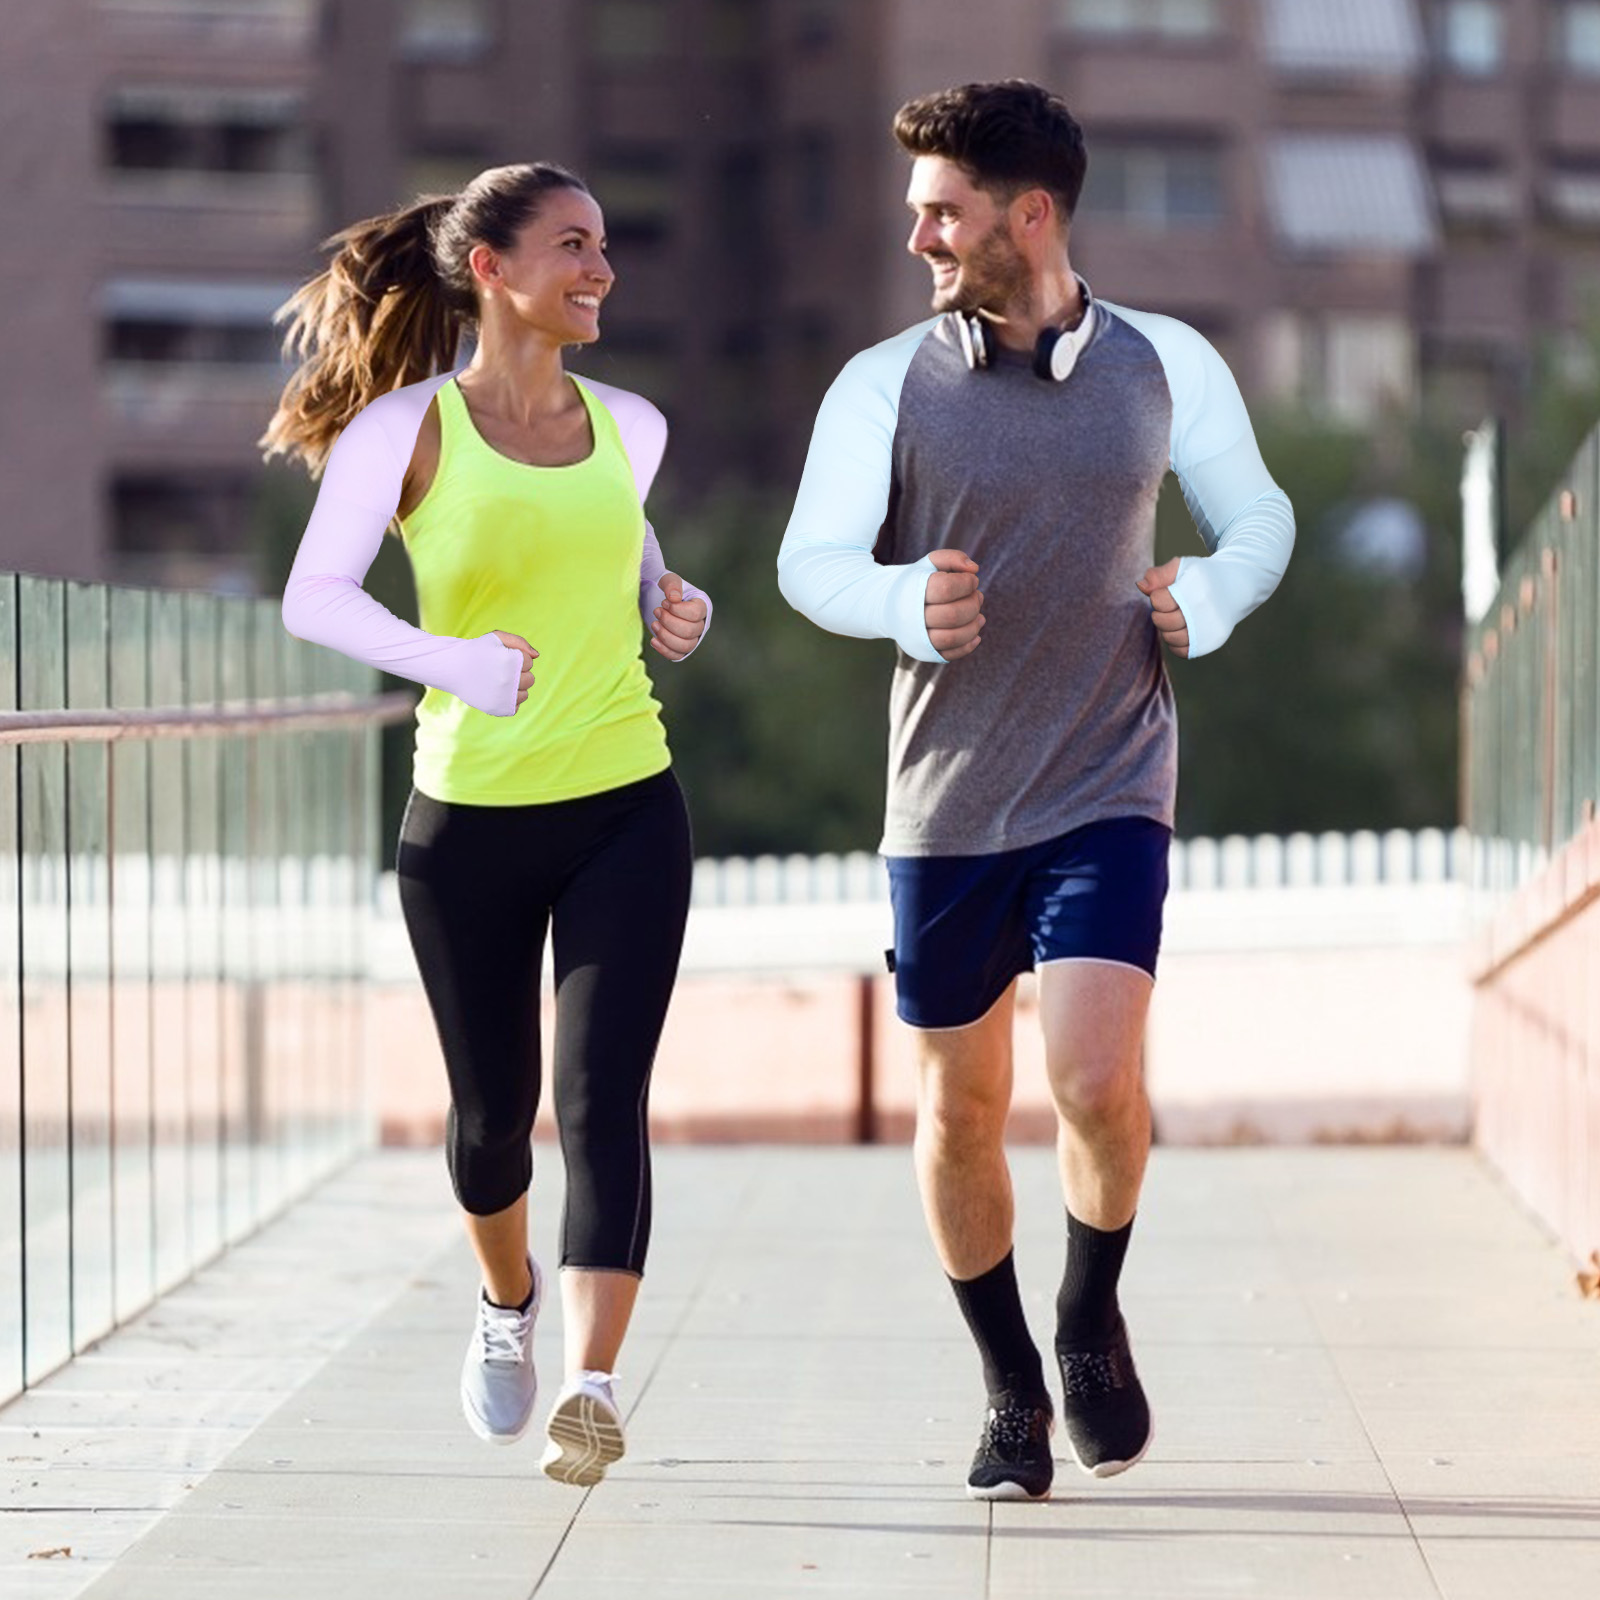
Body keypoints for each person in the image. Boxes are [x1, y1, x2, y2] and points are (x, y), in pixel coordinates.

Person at [778, 82, 1294, 1502]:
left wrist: (1214, 595)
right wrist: (897, 601)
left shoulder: (1166, 361)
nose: (919, 237)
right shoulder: (880, 385)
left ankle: (1086, 1318)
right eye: (917, 213)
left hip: (1111, 775)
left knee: (1095, 1080)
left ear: (1031, 214)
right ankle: (1009, 1386)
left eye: (943, 213)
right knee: (959, 1108)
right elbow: (809, 563)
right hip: (945, 801)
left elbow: (1258, 515)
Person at [266, 162, 711, 1487]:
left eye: (605, 246)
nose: (600, 270)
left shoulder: (632, 425)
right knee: (493, 1117)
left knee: (603, 1096)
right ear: (492, 270)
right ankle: (506, 1301)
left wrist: (671, 600)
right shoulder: (401, 432)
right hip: (466, 823)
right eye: (572, 245)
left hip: (627, 801)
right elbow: (314, 596)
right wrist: (449, 661)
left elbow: (624, 555)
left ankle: (591, 1385)